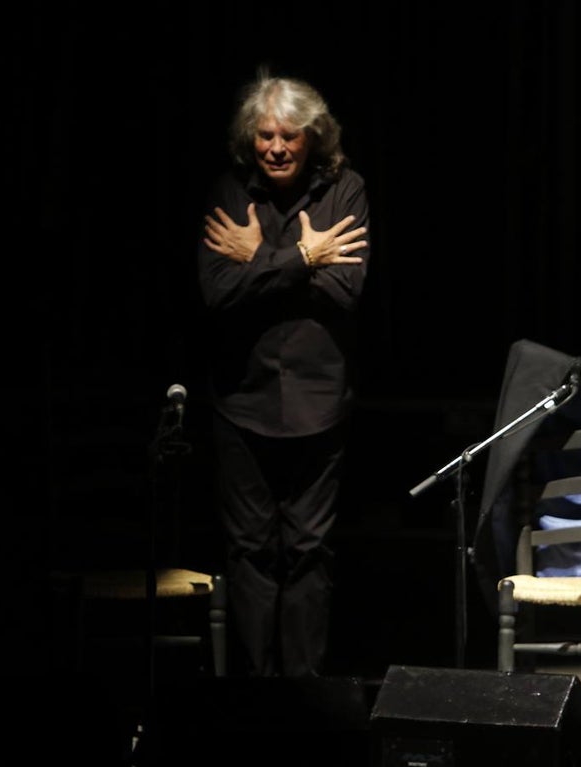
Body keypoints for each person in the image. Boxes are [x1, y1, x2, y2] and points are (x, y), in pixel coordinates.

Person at [196, 68, 370, 677]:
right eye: (265, 135)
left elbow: (346, 291)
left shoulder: (344, 191)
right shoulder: (228, 190)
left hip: (319, 405)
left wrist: (261, 263)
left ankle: (302, 695)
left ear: (312, 137)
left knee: (306, 551)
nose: (275, 147)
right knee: (247, 551)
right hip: (241, 404)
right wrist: (302, 258)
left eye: (289, 136)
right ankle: (253, 694)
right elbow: (218, 295)